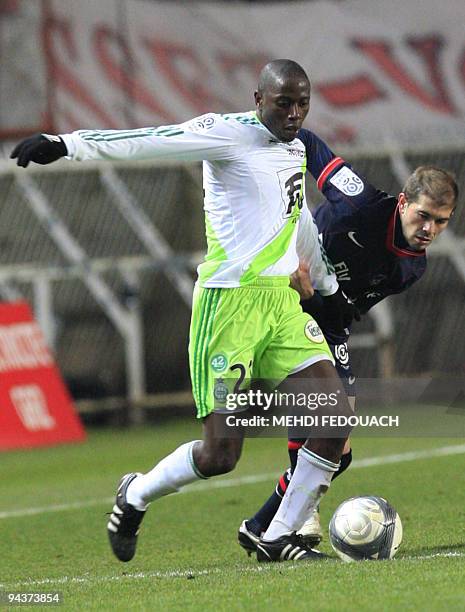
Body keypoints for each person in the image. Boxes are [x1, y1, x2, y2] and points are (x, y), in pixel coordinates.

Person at [11, 59, 358, 563]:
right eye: (284, 102)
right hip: (228, 309)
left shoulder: (297, 149)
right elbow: (152, 139)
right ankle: (136, 493)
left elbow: (296, 216)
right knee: (221, 455)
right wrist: (67, 144)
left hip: (281, 305)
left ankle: (278, 536)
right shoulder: (224, 133)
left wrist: (326, 286)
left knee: (334, 414)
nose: (294, 113)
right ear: (258, 97)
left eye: (303, 103)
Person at [238, 130, 459, 554]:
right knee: (328, 427)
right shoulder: (361, 203)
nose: (430, 228)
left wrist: (330, 303)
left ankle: (266, 522)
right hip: (286, 299)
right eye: (424, 216)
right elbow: (308, 144)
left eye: (442, 221)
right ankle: (285, 524)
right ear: (402, 202)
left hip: (329, 319)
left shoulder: (411, 269)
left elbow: (346, 309)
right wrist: (271, 135)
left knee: (339, 451)